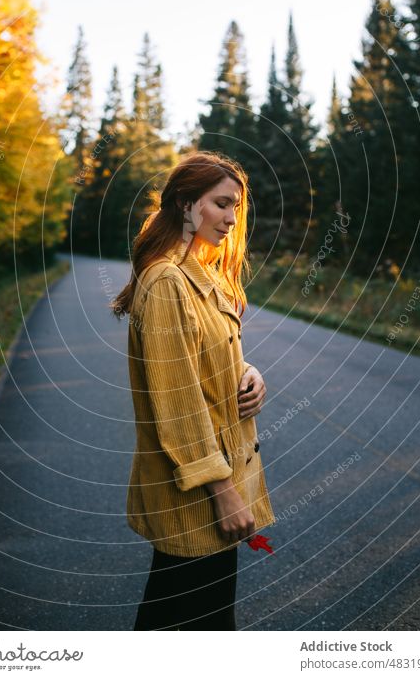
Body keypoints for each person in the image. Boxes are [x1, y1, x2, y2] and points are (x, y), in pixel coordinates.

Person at [111, 150, 275, 630]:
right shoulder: (167, 282)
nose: (230, 218)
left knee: (187, 620)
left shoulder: (202, 275)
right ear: (186, 204)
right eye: (221, 204)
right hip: (197, 496)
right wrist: (226, 494)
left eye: (235, 208)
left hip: (211, 487)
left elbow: (204, 355)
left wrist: (250, 371)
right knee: (191, 626)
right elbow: (178, 403)